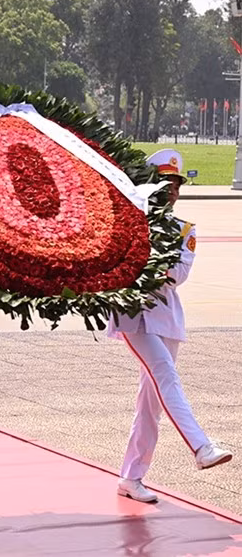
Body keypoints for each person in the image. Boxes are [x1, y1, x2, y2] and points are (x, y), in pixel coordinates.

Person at [110, 149, 232, 504]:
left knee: (150, 404)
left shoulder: (184, 231)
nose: (171, 191)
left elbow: (177, 275)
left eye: (176, 184)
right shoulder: (129, 222)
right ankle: (201, 446)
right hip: (133, 316)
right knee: (165, 375)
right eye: (164, 184)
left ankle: (131, 478)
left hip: (165, 317)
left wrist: (145, 264)